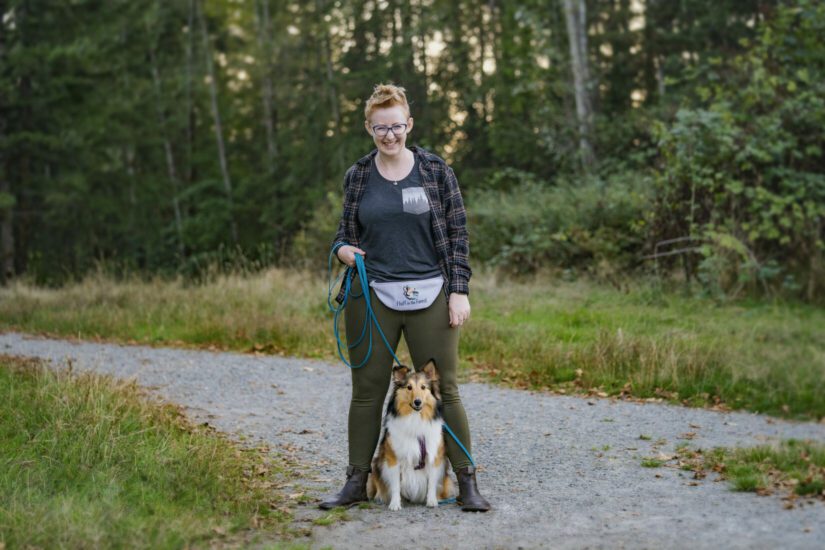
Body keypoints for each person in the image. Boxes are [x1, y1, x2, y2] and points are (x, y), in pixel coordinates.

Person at [319, 83, 490, 512]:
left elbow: (457, 235)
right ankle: (356, 482)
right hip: (372, 293)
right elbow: (346, 233)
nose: (389, 135)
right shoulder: (358, 176)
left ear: (409, 124)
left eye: (396, 126)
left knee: (445, 389)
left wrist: (459, 290)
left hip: (431, 292)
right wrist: (342, 250)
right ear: (369, 128)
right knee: (367, 390)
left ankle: (466, 483)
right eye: (380, 128)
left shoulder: (435, 171)